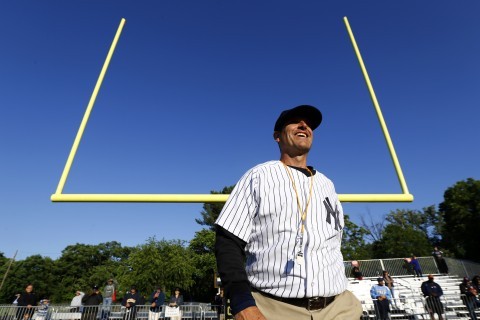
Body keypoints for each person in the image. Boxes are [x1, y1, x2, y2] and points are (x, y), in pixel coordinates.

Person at [215, 105, 363, 320]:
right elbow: (228, 240)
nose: (305, 125)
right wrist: (241, 302)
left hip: (338, 307)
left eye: (309, 124)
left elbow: (334, 244)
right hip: (276, 308)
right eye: (295, 121)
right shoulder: (259, 175)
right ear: (277, 136)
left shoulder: (327, 184)